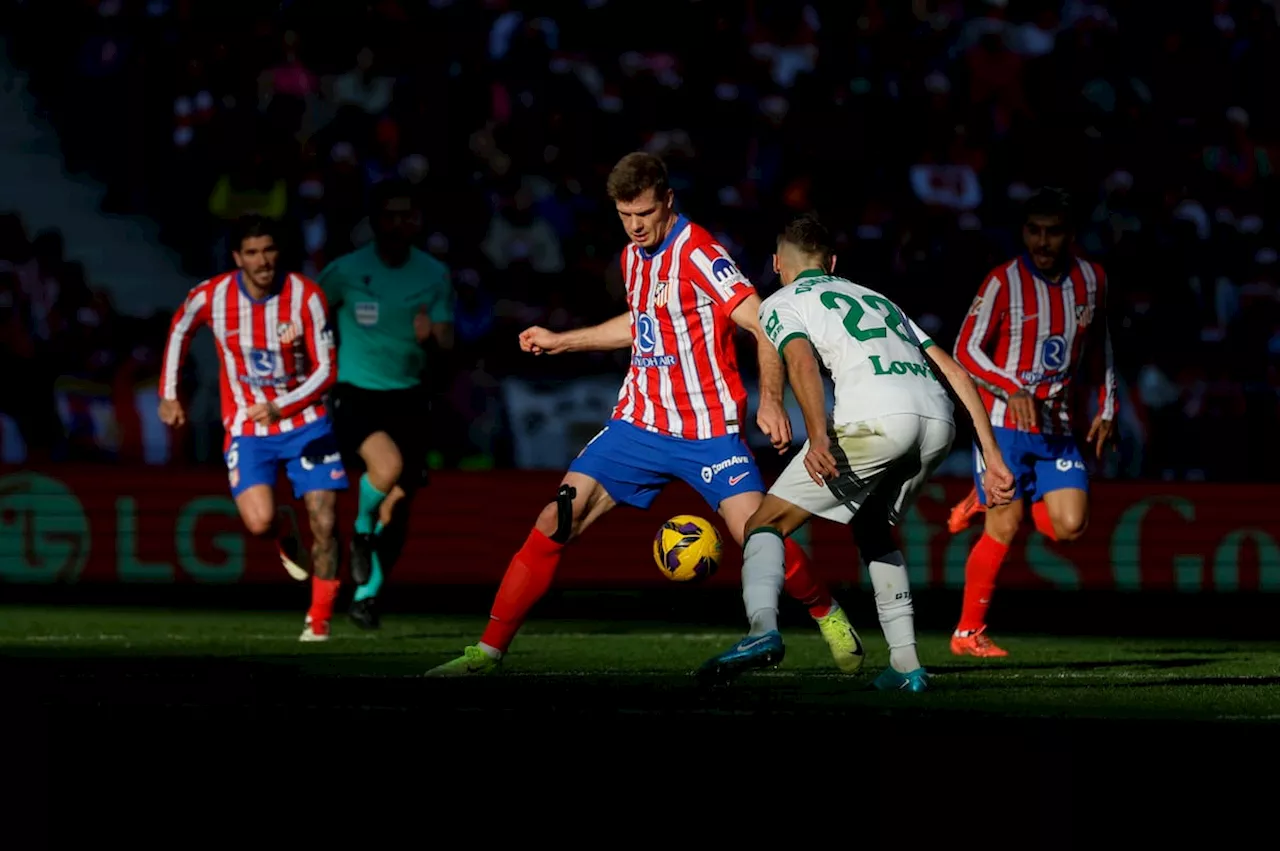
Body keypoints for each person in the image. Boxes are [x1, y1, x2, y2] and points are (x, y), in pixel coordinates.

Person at [428, 152, 860, 676]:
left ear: (668, 201)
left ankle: (827, 613)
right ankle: (487, 653)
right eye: (625, 216)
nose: (635, 227)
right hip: (637, 423)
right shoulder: (633, 257)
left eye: (645, 214)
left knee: (759, 535)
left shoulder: (699, 254)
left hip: (707, 433)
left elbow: (766, 320)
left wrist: (770, 398)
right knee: (555, 517)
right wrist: (565, 341)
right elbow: (642, 325)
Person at [699, 214, 1016, 692]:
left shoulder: (780, 301)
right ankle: (908, 666)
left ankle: (761, 630)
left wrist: (818, 435)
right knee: (874, 529)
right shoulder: (878, 298)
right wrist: (991, 455)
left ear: (777, 264)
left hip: (877, 420)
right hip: (938, 421)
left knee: (763, 523)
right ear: (831, 262)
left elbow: (801, 361)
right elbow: (953, 369)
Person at [945, 187, 1117, 657]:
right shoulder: (1002, 282)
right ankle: (967, 633)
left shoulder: (1092, 279)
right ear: (1023, 232)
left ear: (1071, 235)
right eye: (1034, 231)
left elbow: (1099, 343)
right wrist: (1011, 387)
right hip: (1001, 423)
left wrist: (1108, 405)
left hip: (1057, 428)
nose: (1042, 242)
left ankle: (982, 496)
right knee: (1005, 525)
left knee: (1069, 526)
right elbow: (964, 349)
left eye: (1053, 232)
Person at [158, 215, 346, 641]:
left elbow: (327, 369)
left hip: (306, 424)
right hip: (247, 428)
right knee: (258, 523)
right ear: (237, 258)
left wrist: (282, 406)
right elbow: (179, 329)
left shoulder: (305, 296)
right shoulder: (213, 295)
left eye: (269, 250)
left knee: (325, 520)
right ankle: (282, 530)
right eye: (253, 252)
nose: (263, 261)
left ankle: (319, 621)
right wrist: (169, 393)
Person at [319, 179, 454, 630]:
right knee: (388, 468)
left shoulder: (433, 274)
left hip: (410, 396)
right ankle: (359, 531)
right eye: (390, 214)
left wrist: (431, 337)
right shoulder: (345, 270)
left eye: (407, 214)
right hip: (356, 393)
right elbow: (312, 315)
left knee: (397, 504)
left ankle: (366, 594)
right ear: (375, 221)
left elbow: (446, 342)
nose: (399, 222)